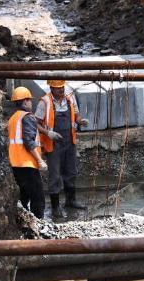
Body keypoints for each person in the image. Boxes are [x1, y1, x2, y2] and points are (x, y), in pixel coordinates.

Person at [35, 80, 89, 218]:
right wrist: (48, 133)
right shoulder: (44, 102)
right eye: (58, 88)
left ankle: (71, 201)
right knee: (55, 176)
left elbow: (76, 115)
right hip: (53, 144)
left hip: (69, 142)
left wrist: (80, 121)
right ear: (51, 88)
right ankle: (55, 207)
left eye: (62, 87)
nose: (61, 90)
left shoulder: (70, 98)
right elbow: (36, 123)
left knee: (71, 172)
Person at [7, 87, 47, 218]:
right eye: (29, 100)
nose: (31, 102)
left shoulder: (13, 118)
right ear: (24, 101)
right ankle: (39, 223)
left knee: (23, 197)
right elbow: (29, 141)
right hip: (27, 163)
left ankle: (23, 222)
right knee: (38, 198)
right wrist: (40, 160)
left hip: (15, 163)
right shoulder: (27, 117)